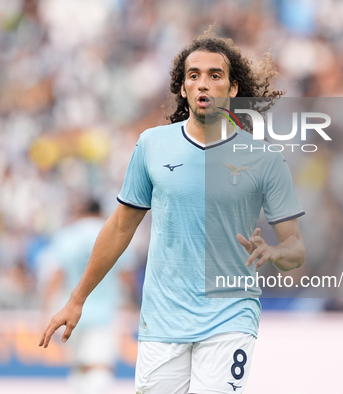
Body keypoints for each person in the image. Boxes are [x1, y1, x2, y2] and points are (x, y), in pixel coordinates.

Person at [39, 31, 306, 394]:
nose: (203, 84)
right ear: (182, 89)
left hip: (230, 316)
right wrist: (77, 298)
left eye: (215, 75)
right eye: (193, 75)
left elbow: (295, 248)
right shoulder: (152, 145)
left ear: (232, 88)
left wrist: (275, 252)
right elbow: (120, 228)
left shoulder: (264, 159)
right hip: (162, 321)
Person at [40, 198, 136, 394]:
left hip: (69, 312)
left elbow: (56, 275)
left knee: (80, 367)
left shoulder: (67, 235)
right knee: (100, 366)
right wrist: (134, 302)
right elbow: (126, 275)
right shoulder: (113, 232)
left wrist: (46, 309)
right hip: (104, 313)